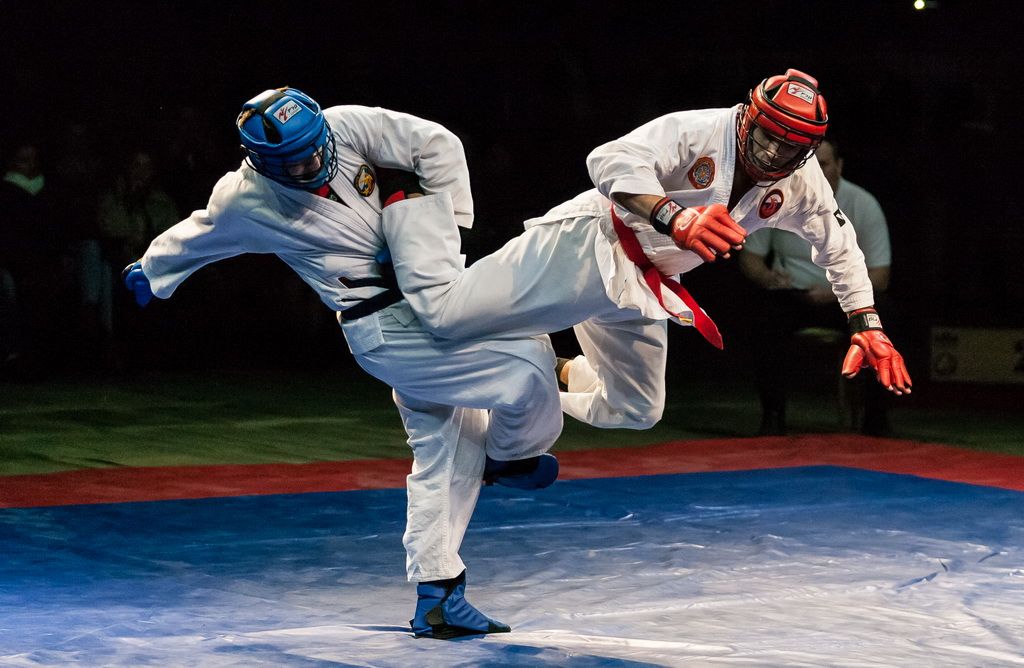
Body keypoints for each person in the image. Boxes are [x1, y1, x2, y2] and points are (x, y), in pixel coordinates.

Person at [121, 87, 563, 640]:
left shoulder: (348, 126)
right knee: (528, 362)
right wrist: (152, 270)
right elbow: (202, 232)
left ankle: (438, 596)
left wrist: (447, 236)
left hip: (436, 298)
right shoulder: (245, 198)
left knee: (447, 450)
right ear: (262, 162)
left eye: (313, 149)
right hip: (386, 330)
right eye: (294, 161)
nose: (309, 163)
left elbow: (437, 144)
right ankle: (511, 455)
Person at [380, 69, 911, 434]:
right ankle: (407, 216)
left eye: (788, 148)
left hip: (643, 288)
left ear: (807, 150)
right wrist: (673, 216)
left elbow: (841, 249)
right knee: (446, 315)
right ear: (748, 116)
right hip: (590, 243)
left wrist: (867, 324)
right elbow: (607, 158)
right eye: (767, 137)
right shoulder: (698, 130)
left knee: (634, 409)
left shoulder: (803, 184)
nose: (771, 153)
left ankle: (548, 369)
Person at [738, 137, 894, 434]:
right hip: (792, 296)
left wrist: (836, 294)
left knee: (884, 315)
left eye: (823, 164)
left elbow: (880, 275)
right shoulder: (777, 198)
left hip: (844, 300)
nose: (816, 172)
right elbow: (751, 258)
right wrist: (767, 277)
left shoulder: (863, 204)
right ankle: (772, 416)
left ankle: (877, 419)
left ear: (839, 166)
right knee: (762, 317)